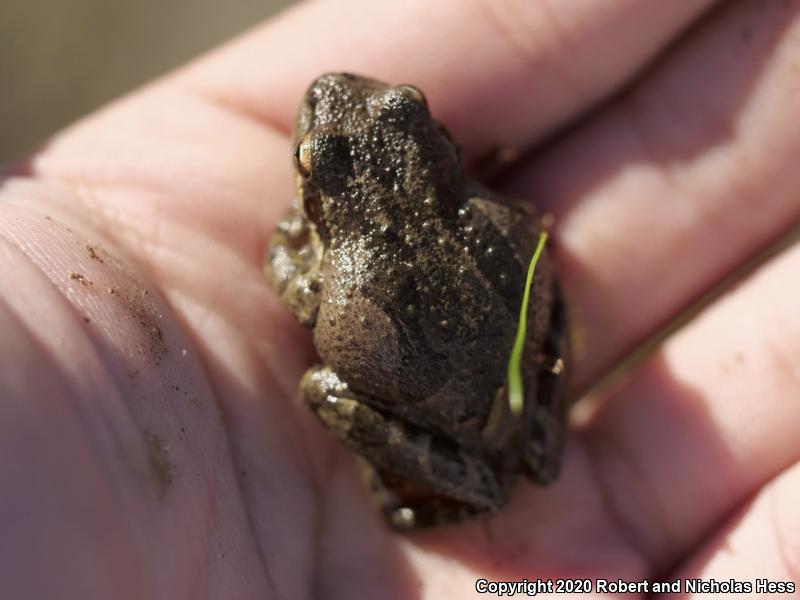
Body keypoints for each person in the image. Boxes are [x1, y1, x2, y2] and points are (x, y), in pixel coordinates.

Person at [1, 0, 798, 597]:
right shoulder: (483, 213)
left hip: (461, 397)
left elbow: (296, 286)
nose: (341, 93)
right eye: (323, 159)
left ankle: (486, 467)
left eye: (400, 109)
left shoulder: (371, 246)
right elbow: (339, 299)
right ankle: (513, 449)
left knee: (327, 385)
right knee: (367, 370)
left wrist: (288, 241)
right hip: (493, 380)